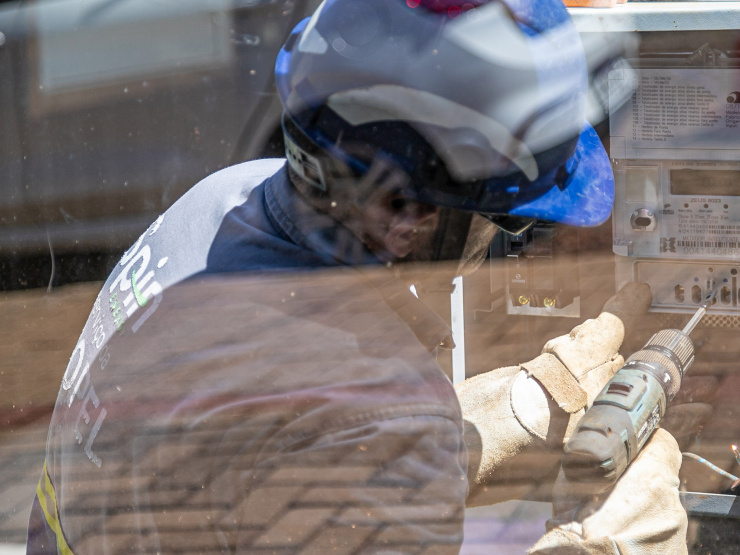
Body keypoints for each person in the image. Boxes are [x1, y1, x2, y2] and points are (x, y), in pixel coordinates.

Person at [27, 0, 685, 553]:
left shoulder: (220, 203)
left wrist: (486, 422)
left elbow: (253, 453)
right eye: (503, 224)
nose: (493, 249)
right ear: (407, 218)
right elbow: (323, 420)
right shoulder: (371, 411)